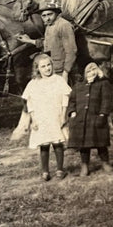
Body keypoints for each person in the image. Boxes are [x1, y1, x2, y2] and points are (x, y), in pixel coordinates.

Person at [21, 53, 71, 181]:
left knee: (57, 142)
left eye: (49, 65)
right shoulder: (33, 83)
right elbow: (29, 102)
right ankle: (45, 171)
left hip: (56, 116)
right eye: (43, 66)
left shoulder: (58, 80)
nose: (47, 68)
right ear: (37, 68)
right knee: (44, 144)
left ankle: (60, 169)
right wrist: (33, 119)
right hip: (41, 117)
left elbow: (65, 98)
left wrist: (63, 115)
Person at [66, 62, 113, 176]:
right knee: (84, 145)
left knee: (101, 143)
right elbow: (72, 101)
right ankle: (84, 165)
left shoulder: (103, 84)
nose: (91, 73)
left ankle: (105, 162)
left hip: (97, 117)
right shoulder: (78, 86)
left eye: (94, 70)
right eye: (88, 71)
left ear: (98, 72)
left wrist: (103, 114)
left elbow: (106, 100)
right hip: (81, 120)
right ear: (84, 74)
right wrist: (72, 112)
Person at [17, 0, 78, 81]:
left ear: (57, 13)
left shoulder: (64, 25)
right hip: (52, 69)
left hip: (62, 71)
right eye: (44, 16)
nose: (47, 18)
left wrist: (66, 73)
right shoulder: (49, 25)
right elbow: (48, 44)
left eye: (50, 14)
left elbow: (71, 51)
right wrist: (29, 40)